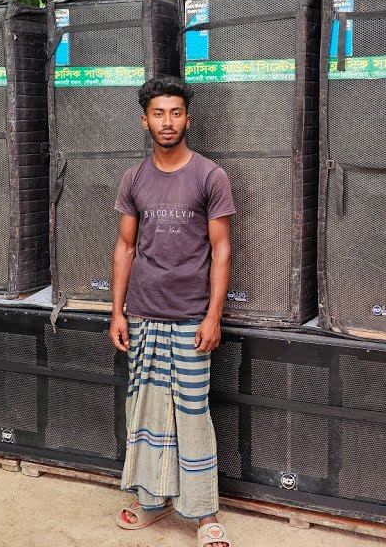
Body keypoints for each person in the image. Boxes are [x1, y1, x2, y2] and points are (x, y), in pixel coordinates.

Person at [108, 75, 234, 547]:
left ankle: (203, 513)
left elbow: (221, 250)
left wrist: (213, 316)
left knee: (192, 414)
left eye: (175, 113)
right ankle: (151, 501)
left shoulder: (210, 176)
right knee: (145, 410)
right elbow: (125, 247)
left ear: (187, 119)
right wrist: (117, 312)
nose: (167, 121)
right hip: (143, 314)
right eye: (158, 113)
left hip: (190, 317)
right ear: (145, 121)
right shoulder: (134, 178)